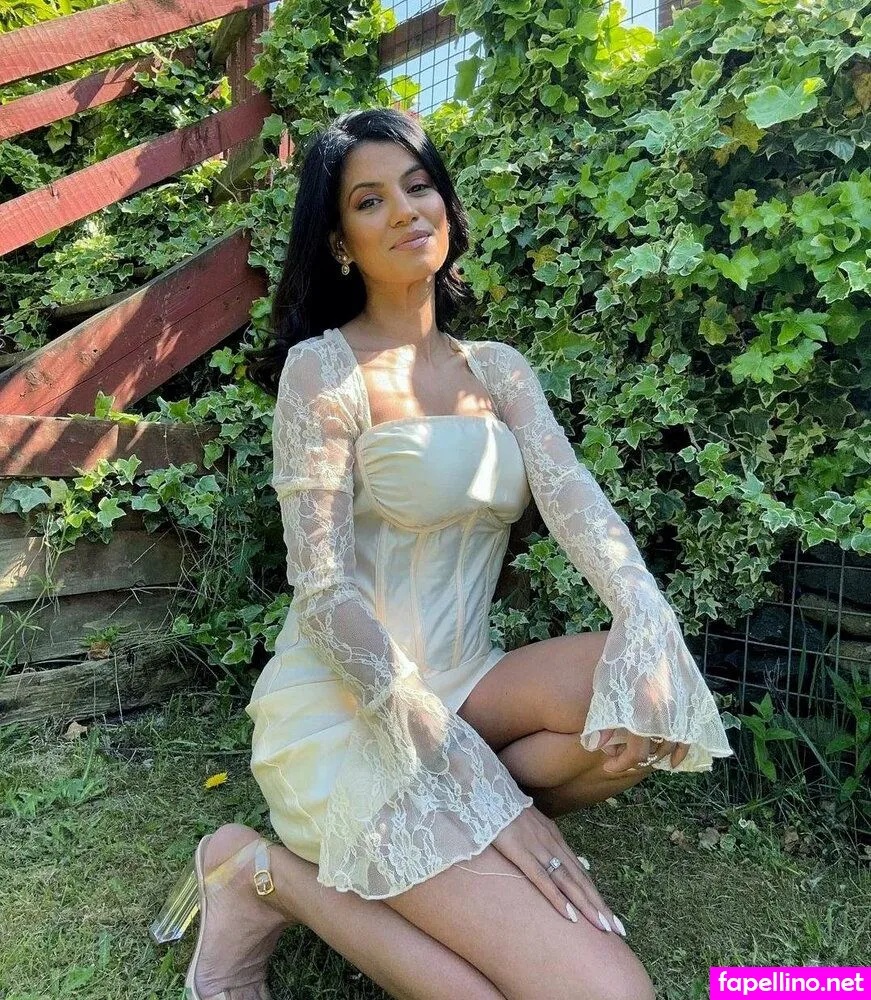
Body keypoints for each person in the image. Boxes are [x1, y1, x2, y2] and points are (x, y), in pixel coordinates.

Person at [150, 107, 733, 1000]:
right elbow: (323, 594)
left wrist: (647, 615)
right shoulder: (324, 371)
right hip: (349, 703)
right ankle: (261, 875)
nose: (404, 211)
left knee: (646, 688)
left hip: (468, 680)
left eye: (418, 186)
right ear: (339, 242)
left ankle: (464, 820)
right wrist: (467, 776)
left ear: (446, 206)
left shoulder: (495, 369)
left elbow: (574, 498)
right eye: (369, 201)